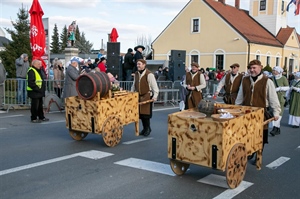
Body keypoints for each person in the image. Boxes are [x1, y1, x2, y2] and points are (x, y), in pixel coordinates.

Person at [235, 59, 281, 152]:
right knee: (246, 134)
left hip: (261, 113)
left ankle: (258, 153)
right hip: (247, 112)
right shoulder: (245, 80)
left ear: (260, 68)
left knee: (260, 136)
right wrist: (236, 108)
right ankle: (249, 151)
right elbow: (240, 96)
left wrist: (276, 112)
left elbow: (273, 99)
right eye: (250, 68)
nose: (252, 70)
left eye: (254, 68)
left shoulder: (267, 81)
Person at [131, 59, 159, 137]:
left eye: (139, 64)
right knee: (140, 114)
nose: (138, 66)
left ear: (144, 65)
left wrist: (155, 96)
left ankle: (148, 129)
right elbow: (134, 85)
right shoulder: (136, 74)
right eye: (137, 64)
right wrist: (131, 94)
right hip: (138, 96)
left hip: (147, 96)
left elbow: (154, 86)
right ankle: (144, 129)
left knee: (146, 114)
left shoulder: (149, 74)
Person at [269, 66, 289, 135]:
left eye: (276, 71)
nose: (274, 72)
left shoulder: (283, 78)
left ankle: (275, 128)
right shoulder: (271, 78)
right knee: (273, 111)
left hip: (280, 97)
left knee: (279, 112)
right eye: (273, 70)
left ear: (279, 72)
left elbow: (287, 87)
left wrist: (279, 88)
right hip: (272, 97)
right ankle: (277, 128)